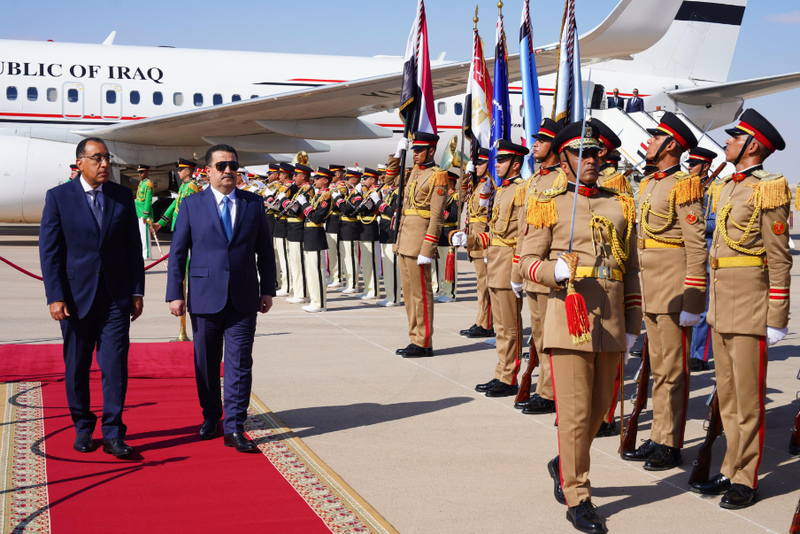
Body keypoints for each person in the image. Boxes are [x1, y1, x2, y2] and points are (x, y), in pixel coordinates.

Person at [519, 121, 641, 533]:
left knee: (599, 412)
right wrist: (550, 270)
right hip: (570, 315)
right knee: (573, 414)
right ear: (565, 159)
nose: (592, 161)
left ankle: (563, 462)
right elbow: (524, 263)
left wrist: (631, 321)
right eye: (582, 154)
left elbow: (632, 269)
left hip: (609, 318)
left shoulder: (619, 203)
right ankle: (578, 495)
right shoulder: (547, 202)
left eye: (596, 154)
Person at [690, 110, 790, 509]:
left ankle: (747, 479)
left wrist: (777, 316)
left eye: (733, 139)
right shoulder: (728, 187)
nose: (726, 144)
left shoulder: (770, 188)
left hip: (750, 308)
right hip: (721, 308)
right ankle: (731, 467)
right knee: (728, 398)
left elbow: (780, 258)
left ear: (751, 145)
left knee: (748, 401)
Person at [166, 144, 276, 453]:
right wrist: (175, 294)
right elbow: (177, 254)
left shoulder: (253, 203)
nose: (229, 171)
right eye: (222, 166)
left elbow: (265, 253)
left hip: (243, 298)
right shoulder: (191, 205)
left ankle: (235, 427)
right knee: (206, 362)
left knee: (240, 363)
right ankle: (211, 416)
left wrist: (267, 288)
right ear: (209, 171)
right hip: (204, 297)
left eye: (233, 165)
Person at [39, 137, 145, 458]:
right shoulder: (58, 198)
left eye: (106, 158)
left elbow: (132, 249)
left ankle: (113, 432)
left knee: (114, 366)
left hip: (115, 298)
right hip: (75, 298)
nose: (104, 164)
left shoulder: (122, 196)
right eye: (97, 158)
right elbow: (51, 252)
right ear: (80, 163)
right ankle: (83, 426)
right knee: (77, 366)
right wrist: (55, 296)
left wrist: (137, 291)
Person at [623, 112, 706, 471]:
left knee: (672, 371)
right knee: (656, 368)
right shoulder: (649, 183)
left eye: (656, 137)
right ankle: (658, 436)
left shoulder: (684, 185)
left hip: (673, 291)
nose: (649, 142)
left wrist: (693, 300)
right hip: (652, 290)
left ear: (671, 144)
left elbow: (696, 246)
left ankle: (670, 444)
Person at [454, 140, 528, 398]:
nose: (496, 164)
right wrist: (471, 240)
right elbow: (495, 234)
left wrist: (518, 272)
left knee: (510, 327)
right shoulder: (503, 191)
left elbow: (521, 237)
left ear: (516, 164)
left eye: (502, 160)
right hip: (495, 263)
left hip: (508, 266)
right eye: (496, 160)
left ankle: (509, 377)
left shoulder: (521, 191)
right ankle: (501, 372)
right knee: (501, 328)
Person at [515, 118, 563, 415]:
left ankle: (549, 392)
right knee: (540, 335)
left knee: (550, 337)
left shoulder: (559, 181)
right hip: (530, 270)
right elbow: (523, 230)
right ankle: (545, 388)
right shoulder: (533, 180)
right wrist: (517, 269)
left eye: (542, 141)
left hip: (546, 271)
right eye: (536, 140)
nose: (535, 144)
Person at [393, 132, 448, 357]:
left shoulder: (439, 176)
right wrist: (397, 156)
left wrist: (428, 247)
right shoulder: (414, 171)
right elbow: (391, 182)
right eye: (413, 150)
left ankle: (424, 342)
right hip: (404, 239)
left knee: (421, 295)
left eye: (419, 150)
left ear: (431, 151)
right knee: (408, 294)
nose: (415, 154)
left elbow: (436, 217)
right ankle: (414, 338)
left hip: (418, 244)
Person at [687, 147, 718, 372]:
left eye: (693, 165)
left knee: (703, 308)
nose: (688, 168)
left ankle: (699, 355)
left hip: (705, 256)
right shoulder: (684, 187)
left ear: (705, 167)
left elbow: (717, 222)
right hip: (682, 257)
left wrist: (692, 223)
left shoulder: (715, 190)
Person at [459, 149, 495, 339]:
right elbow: (459, 194)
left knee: (485, 284)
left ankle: (487, 323)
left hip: (483, 242)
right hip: (474, 241)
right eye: (476, 164)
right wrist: (467, 173)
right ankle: (481, 320)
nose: (478, 167)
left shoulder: (490, 185)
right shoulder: (477, 185)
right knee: (480, 284)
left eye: (481, 164)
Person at [298, 167, 333, 312]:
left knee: (316, 269)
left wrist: (305, 204)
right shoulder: (318, 195)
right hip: (309, 232)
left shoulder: (326, 196)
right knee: (310, 269)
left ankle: (320, 303)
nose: (315, 180)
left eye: (318, 178)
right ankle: (314, 300)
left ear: (325, 180)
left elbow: (317, 217)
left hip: (316, 233)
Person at [284, 164, 314, 304]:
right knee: (294, 262)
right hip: (292, 227)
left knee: (299, 262)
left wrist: (286, 203)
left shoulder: (307, 190)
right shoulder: (299, 190)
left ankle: (302, 293)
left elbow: (302, 211)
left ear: (303, 176)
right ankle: (298, 291)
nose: (294, 177)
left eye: (296, 175)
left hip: (298, 227)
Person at [265, 163, 295, 296]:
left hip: (283, 223)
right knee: (279, 256)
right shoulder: (282, 187)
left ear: (284, 175)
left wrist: (270, 200)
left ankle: (288, 286)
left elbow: (281, 206)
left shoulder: (288, 187)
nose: (280, 176)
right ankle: (283, 283)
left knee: (284, 257)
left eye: (281, 174)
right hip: (278, 222)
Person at [376, 156, 402, 307]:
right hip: (385, 230)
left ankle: (394, 297)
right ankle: (389, 295)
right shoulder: (391, 191)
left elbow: (393, 212)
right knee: (387, 264)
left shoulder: (400, 192)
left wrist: (379, 202)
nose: (386, 177)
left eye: (390, 174)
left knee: (392, 265)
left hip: (392, 231)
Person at [433, 169, 460, 303]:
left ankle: (451, 293)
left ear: (451, 182)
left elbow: (454, 216)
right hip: (440, 233)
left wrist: (440, 210)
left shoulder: (455, 197)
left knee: (449, 265)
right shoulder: (443, 197)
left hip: (449, 232)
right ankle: (444, 290)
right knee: (441, 264)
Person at [334, 168, 363, 294]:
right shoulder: (350, 193)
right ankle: (349, 282)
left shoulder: (356, 194)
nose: (345, 181)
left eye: (347, 179)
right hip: (344, 226)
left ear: (354, 180)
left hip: (350, 226)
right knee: (345, 256)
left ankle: (353, 284)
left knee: (351, 256)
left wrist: (338, 200)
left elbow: (347, 210)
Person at [355, 168, 382, 300]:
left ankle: (373, 290)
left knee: (370, 261)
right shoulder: (367, 192)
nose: (363, 181)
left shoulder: (375, 192)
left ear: (372, 180)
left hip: (369, 227)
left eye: (366, 179)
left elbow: (361, 207)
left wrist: (358, 196)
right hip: (363, 227)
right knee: (365, 262)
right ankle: (367, 288)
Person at [154, 158, 200, 232]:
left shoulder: (191, 186)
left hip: (184, 225)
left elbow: (190, 209)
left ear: (188, 172)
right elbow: (174, 204)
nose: (178, 172)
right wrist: (161, 222)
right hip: (178, 224)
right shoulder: (183, 185)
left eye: (180, 170)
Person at [326, 164, 346, 287]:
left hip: (336, 219)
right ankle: (334, 276)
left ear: (338, 174)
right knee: (331, 250)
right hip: (330, 219)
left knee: (336, 250)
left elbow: (337, 204)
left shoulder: (342, 187)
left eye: (332, 174)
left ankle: (338, 277)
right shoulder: (333, 187)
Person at [134, 164, 154, 259]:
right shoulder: (142, 183)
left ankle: (146, 255)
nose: (140, 174)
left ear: (147, 172)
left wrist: (146, 214)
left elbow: (148, 200)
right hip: (139, 212)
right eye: (139, 172)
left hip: (144, 213)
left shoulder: (148, 184)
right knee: (141, 234)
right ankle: (143, 253)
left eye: (141, 172)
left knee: (145, 235)